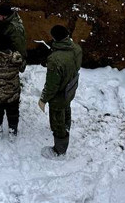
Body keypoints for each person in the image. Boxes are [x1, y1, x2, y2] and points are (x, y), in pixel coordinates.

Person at [38, 24, 82, 157]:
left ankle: (59, 149)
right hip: (70, 87)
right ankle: (67, 125)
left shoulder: (55, 59)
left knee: (57, 120)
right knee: (66, 107)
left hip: (59, 94)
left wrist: (43, 99)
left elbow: (52, 85)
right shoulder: (76, 48)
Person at [0, 3, 27, 69]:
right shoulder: (5, 21)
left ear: (5, 16)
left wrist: (20, 62)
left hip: (10, 56)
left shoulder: (15, 29)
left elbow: (19, 47)